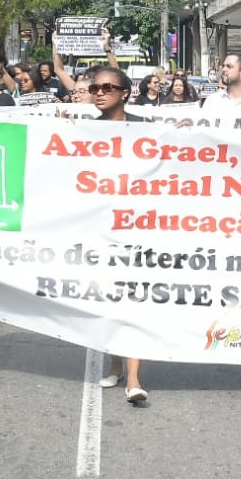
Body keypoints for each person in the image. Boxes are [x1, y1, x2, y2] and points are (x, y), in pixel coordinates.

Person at [87, 66, 151, 404]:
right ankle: (114, 364)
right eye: (95, 87)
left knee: (133, 299)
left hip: (138, 226)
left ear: (125, 92)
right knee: (108, 299)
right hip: (100, 227)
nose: (100, 92)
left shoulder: (144, 127)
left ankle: (135, 378)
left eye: (109, 87)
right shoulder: (84, 131)